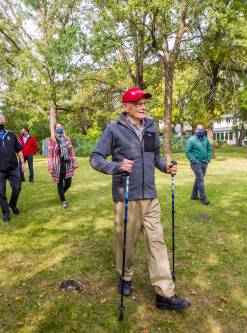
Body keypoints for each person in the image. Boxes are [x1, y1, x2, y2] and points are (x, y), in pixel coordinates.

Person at [90, 87, 191, 310]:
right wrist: (116, 166)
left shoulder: (151, 127)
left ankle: (165, 293)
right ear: (126, 106)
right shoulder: (114, 129)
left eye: (144, 102)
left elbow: (153, 155)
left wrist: (166, 166)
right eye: (137, 103)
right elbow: (96, 158)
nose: (143, 106)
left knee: (157, 242)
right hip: (126, 195)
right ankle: (125, 276)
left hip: (150, 194)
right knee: (126, 242)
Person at [48, 123, 78, 209]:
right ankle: (63, 200)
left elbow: (71, 151)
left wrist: (74, 162)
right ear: (55, 130)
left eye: (60, 126)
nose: (59, 128)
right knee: (60, 183)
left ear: (62, 128)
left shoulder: (67, 138)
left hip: (67, 163)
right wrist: (50, 166)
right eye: (57, 127)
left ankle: (61, 193)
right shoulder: (52, 140)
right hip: (58, 164)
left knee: (68, 183)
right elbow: (50, 154)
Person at [185, 124, 212, 204]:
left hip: (205, 162)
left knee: (198, 179)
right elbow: (187, 151)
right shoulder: (191, 140)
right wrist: (193, 160)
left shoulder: (205, 139)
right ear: (196, 130)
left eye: (202, 129)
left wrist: (209, 158)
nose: (200, 130)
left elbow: (209, 149)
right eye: (198, 129)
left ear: (203, 130)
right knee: (201, 180)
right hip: (196, 163)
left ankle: (194, 195)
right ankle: (203, 198)